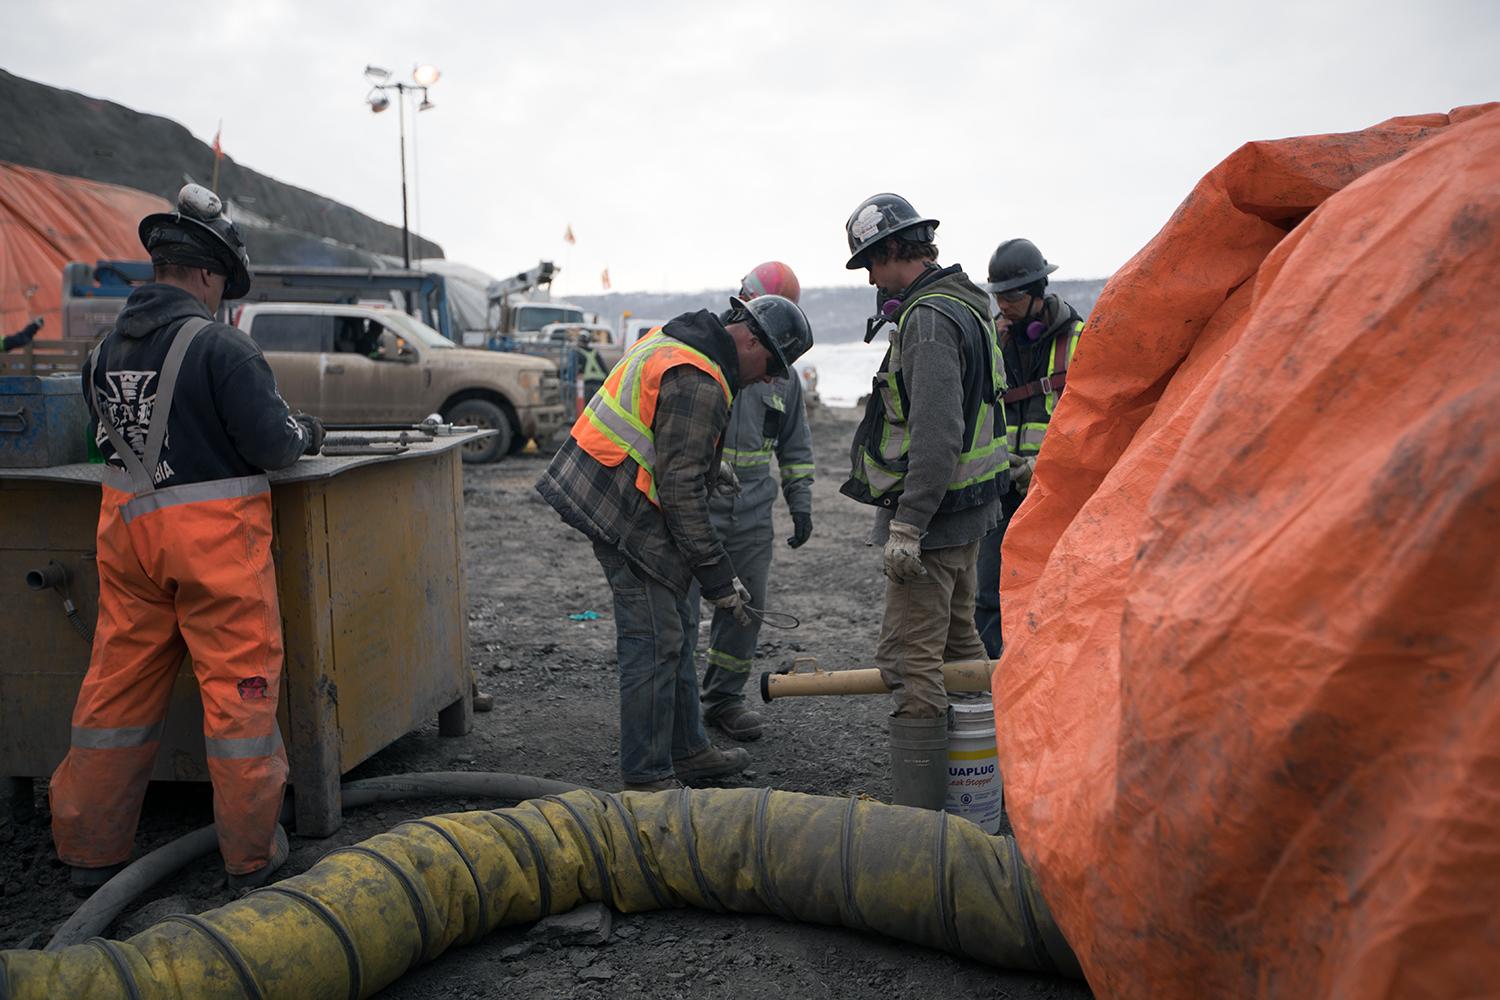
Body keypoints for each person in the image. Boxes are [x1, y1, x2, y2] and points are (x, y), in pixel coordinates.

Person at [49, 184, 323, 895]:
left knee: (116, 693)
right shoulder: (224, 348)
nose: (222, 300)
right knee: (240, 698)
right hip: (211, 548)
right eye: (223, 287)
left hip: (128, 538)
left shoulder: (102, 352)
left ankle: (88, 851)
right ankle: (251, 855)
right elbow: (274, 446)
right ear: (207, 274)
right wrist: (305, 432)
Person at [537, 293, 813, 791]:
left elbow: (664, 438)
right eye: (773, 364)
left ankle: (688, 749)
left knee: (679, 627)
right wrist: (718, 578)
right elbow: (680, 494)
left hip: (619, 490)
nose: (772, 379)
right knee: (655, 639)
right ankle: (646, 776)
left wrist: (709, 466)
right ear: (750, 339)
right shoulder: (701, 380)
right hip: (619, 506)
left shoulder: (683, 342)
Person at [840, 193, 1009, 809]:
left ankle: (923, 827)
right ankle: (980, 797)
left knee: (914, 663)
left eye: (870, 266)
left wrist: (907, 525)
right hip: (968, 516)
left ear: (892, 252)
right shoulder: (967, 304)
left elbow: (936, 434)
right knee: (962, 649)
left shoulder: (929, 319)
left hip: (935, 524)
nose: (871, 281)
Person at [688, 262, 815, 742]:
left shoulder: (783, 378)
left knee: (746, 610)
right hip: (695, 508)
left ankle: (722, 701)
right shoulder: (704, 356)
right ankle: (680, 712)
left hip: (752, 516)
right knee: (680, 611)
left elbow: (795, 445)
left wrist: (800, 503)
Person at [972, 239, 1083, 657]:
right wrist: (989, 348)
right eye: (999, 295)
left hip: (1054, 492)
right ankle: (991, 688)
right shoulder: (993, 340)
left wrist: (1040, 466)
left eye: (1014, 295)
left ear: (1040, 291)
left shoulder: (1077, 340)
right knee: (989, 593)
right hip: (999, 489)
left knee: (1055, 591)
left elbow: (1093, 425)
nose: (1004, 304)